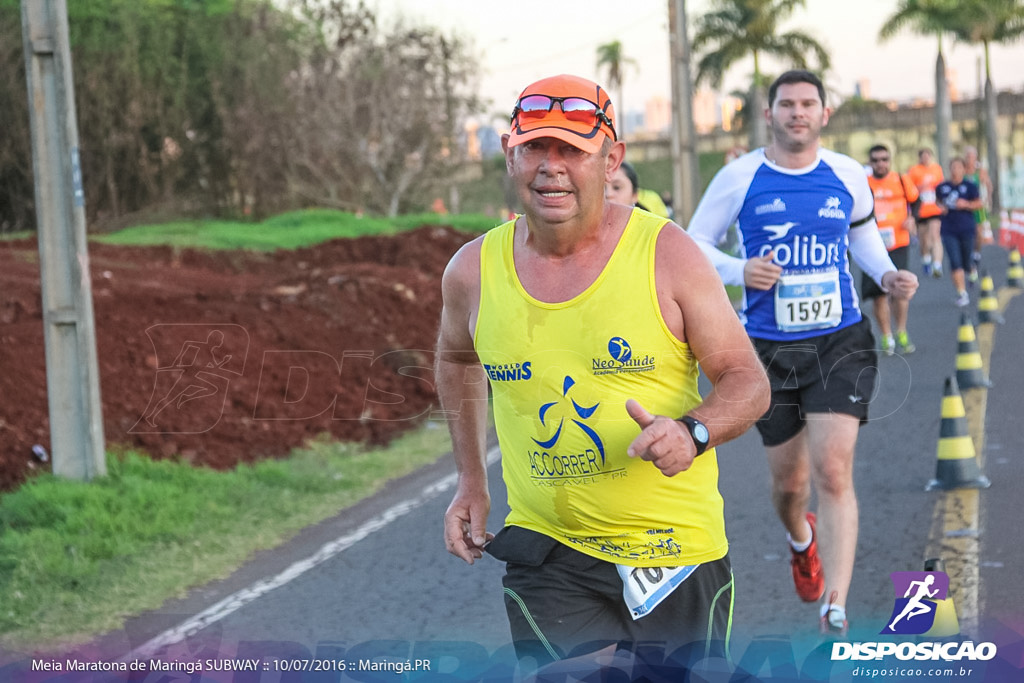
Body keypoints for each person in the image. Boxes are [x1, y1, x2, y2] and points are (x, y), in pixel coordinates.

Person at [437, 73, 770, 666]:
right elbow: (456, 359)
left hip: (671, 550)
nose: (551, 166)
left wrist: (692, 433)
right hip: (549, 545)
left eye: (572, 150)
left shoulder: (668, 255)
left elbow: (748, 381)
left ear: (611, 157)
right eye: (535, 147)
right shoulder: (473, 271)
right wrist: (471, 479)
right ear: (510, 156)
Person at [686, 70, 919, 636]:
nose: (797, 112)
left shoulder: (846, 174)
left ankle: (834, 605)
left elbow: (861, 234)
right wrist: (741, 270)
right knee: (791, 487)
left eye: (808, 103)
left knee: (834, 470)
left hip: (840, 338)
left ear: (823, 113)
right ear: (769, 114)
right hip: (766, 348)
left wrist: (886, 273)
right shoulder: (740, 177)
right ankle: (800, 538)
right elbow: (693, 242)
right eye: (786, 104)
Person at [865, 144, 920, 355]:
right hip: (872, 245)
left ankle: (901, 331)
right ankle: (886, 336)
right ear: (870, 163)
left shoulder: (901, 180)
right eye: (876, 160)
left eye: (884, 159)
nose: (880, 163)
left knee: (900, 290)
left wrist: (912, 218)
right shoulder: (864, 183)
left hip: (898, 241)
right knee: (878, 294)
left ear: (890, 161)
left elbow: (916, 201)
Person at [936, 157, 983, 307]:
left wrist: (967, 204)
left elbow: (979, 203)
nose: (955, 170)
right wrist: (940, 207)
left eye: (958, 167)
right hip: (949, 229)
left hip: (966, 228)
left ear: (963, 169)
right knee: (955, 262)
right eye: (953, 167)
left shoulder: (970, 186)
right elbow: (937, 202)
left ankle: (971, 269)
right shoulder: (942, 187)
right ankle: (962, 293)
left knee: (966, 261)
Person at [907, 148, 945, 278]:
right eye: (923, 156)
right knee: (924, 240)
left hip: (934, 208)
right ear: (920, 158)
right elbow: (909, 190)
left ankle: (937, 265)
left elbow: (941, 187)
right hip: (921, 210)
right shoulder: (914, 171)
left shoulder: (937, 169)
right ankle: (926, 259)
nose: (926, 159)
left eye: (928, 156)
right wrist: (919, 188)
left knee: (935, 235)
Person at [964, 145, 994, 280]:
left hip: (978, 206)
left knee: (978, 232)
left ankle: (976, 253)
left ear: (975, 157)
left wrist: (988, 199)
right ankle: (968, 253)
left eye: (972, 156)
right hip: (965, 207)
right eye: (968, 156)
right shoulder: (962, 171)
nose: (970, 159)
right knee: (967, 233)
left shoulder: (980, 171)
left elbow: (988, 185)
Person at [605, 160, 671, 218]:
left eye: (617, 187)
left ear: (634, 195)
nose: (608, 194)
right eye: (603, 188)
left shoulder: (653, 230)